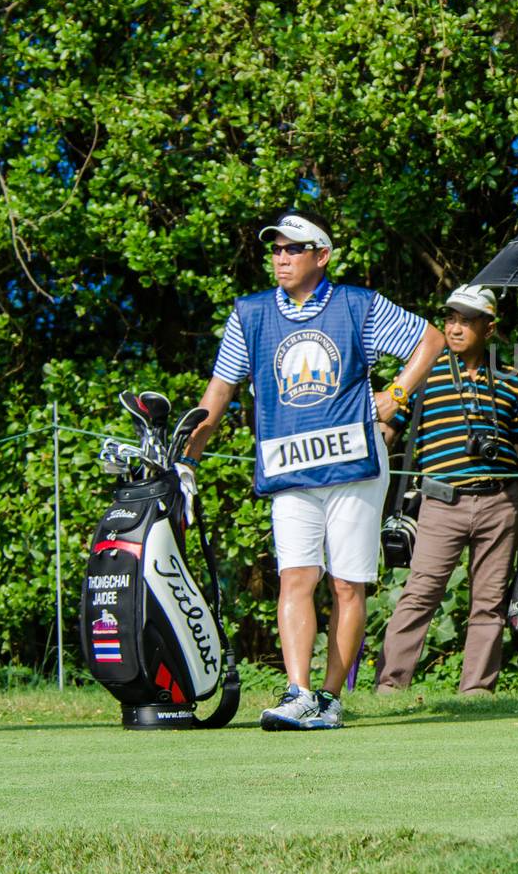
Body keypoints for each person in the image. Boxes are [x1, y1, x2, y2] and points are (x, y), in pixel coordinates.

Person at [183, 209, 443, 730]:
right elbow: (220, 391)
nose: (281, 257)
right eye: (276, 249)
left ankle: (329, 699)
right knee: (296, 578)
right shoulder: (250, 314)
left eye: (292, 249)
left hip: (354, 463)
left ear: (320, 256)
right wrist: (186, 456)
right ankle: (298, 691)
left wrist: (394, 395)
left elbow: (430, 340)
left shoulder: (357, 305)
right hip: (290, 468)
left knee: (348, 585)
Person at [375, 285, 518, 695]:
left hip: (501, 501)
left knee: (489, 602)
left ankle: (477, 691)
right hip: (441, 502)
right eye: (450, 319)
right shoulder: (424, 373)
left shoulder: (510, 379)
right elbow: (387, 432)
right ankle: (390, 686)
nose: (455, 328)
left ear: (490, 327)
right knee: (421, 592)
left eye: (466, 320)